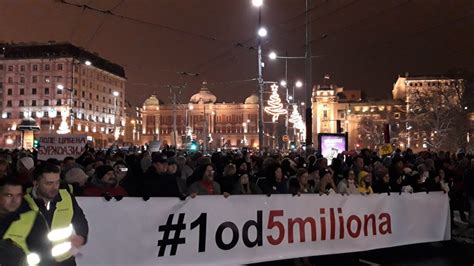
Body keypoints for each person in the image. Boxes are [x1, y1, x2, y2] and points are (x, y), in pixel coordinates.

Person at [24, 163, 89, 266]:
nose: (54, 187)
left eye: (57, 183)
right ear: (36, 183)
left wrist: (81, 236)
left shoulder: (67, 197)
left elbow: (80, 220)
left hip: (65, 261)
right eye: (49, 183)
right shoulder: (23, 202)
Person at [0, 178, 52, 266]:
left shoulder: (34, 219)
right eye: (9, 195)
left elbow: (45, 255)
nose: (14, 200)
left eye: (18, 195)